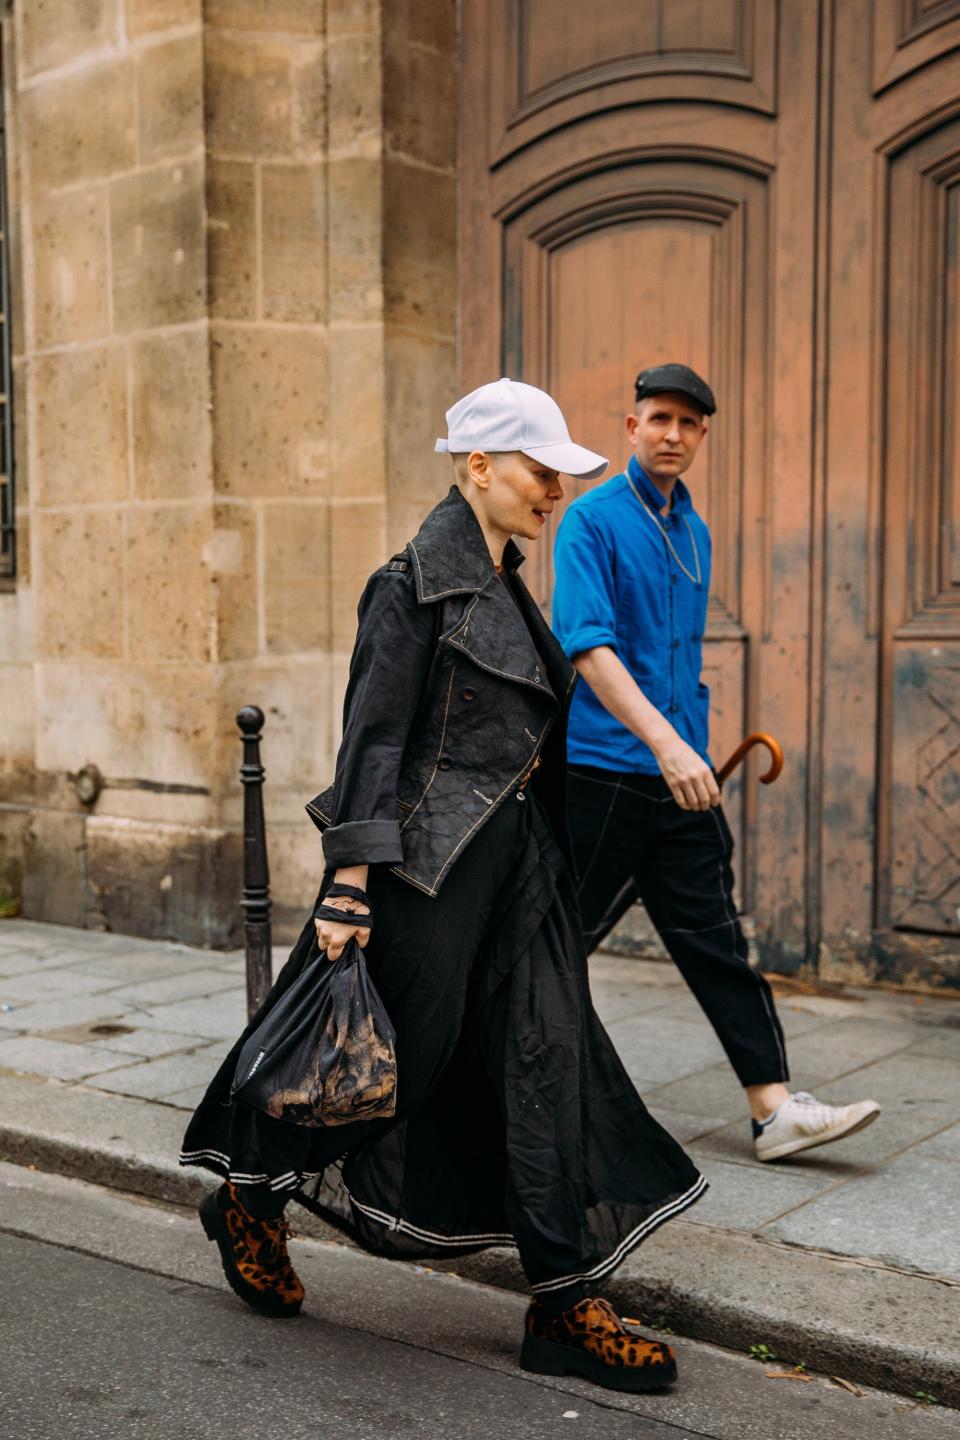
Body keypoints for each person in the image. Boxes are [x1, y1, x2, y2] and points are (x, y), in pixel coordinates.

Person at [181, 377, 708, 1394]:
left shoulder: (506, 580)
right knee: (387, 1064)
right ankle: (249, 1197)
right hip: (429, 873)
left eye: (561, 473)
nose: (555, 487)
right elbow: (373, 740)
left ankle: (565, 1298)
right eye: (538, 469)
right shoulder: (413, 582)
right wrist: (348, 885)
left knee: (550, 1061)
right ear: (479, 466)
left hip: (521, 870)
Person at [552, 364, 880, 1162]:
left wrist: (686, 745)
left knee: (716, 938)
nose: (673, 434)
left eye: (689, 424)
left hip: (682, 776)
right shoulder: (590, 520)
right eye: (659, 418)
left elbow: (676, 658)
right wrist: (665, 742)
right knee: (556, 942)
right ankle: (473, 1091)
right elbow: (588, 645)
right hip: (602, 772)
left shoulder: (693, 532)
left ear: (702, 435)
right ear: (631, 427)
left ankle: (774, 1111)